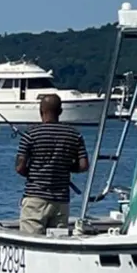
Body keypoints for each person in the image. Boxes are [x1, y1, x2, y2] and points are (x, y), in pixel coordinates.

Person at [15, 94, 89, 235]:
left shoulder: (30, 135)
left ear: (40, 111)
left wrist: (32, 172)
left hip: (35, 199)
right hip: (61, 200)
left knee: (31, 242)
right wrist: (65, 167)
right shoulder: (75, 135)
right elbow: (84, 166)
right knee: (57, 242)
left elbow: (19, 167)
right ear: (60, 112)